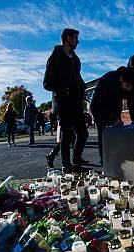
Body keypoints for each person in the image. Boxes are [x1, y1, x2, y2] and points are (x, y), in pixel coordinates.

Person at [43, 28, 90, 171]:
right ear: (68, 38)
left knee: (83, 133)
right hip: (63, 102)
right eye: (76, 38)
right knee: (67, 134)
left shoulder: (76, 59)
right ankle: (66, 165)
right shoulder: (55, 57)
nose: (78, 41)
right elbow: (46, 83)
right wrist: (64, 89)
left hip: (76, 102)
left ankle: (76, 161)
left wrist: (82, 89)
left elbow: (78, 78)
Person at [90, 67, 134, 166]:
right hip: (98, 106)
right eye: (127, 86)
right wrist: (112, 119)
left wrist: (133, 118)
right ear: (121, 79)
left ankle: (118, 157)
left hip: (112, 105)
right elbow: (103, 105)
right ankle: (104, 160)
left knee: (117, 128)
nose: (129, 89)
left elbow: (127, 101)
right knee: (103, 132)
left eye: (130, 87)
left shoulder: (126, 83)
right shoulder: (108, 80)